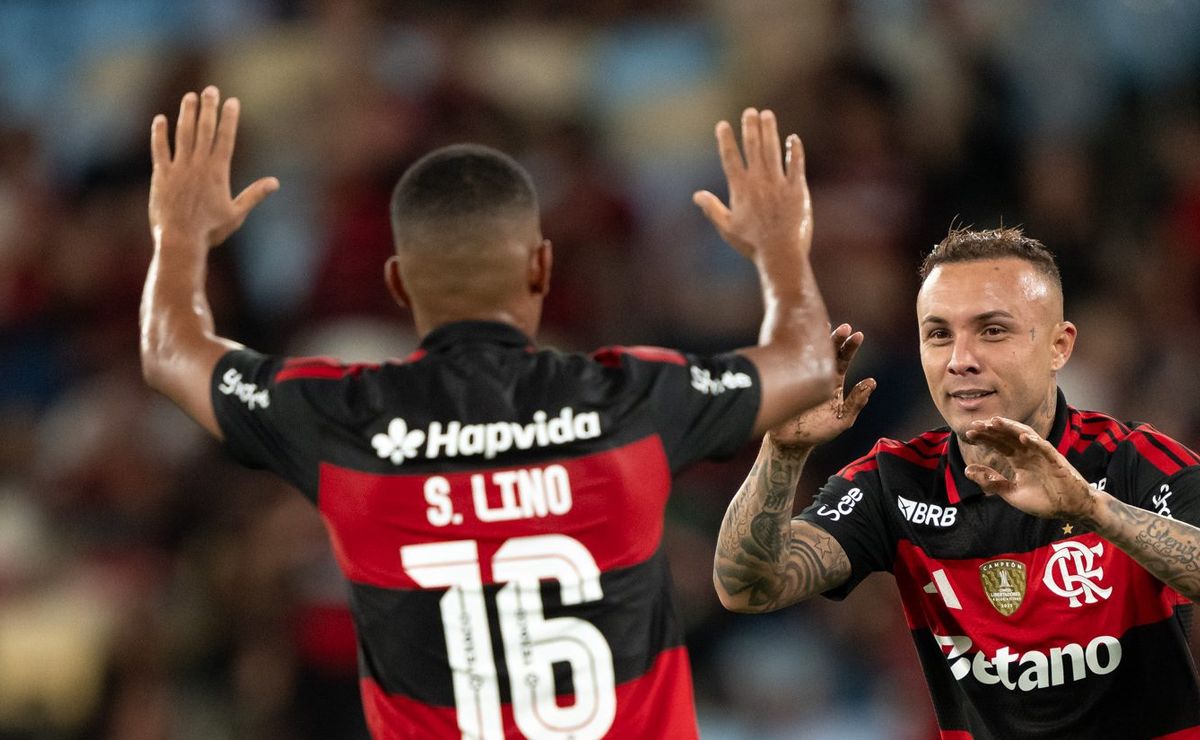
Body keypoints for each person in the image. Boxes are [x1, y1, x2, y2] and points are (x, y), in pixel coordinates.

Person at [139, 86, 837, 739]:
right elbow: (807, 364)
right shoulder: (630, 398)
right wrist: (778, 246)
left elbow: (171, 353)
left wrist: (180, 237)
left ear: (398, 283)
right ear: (541, 268)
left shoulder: (343, 416)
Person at [713, 227, 1200, 738]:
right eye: (939, 334)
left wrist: (1094, 510)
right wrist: (782, 451)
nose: (959, 359)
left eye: (992, 331)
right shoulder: (896, 481)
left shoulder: (1133, 462)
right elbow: (747, 587)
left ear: (1059, 346)